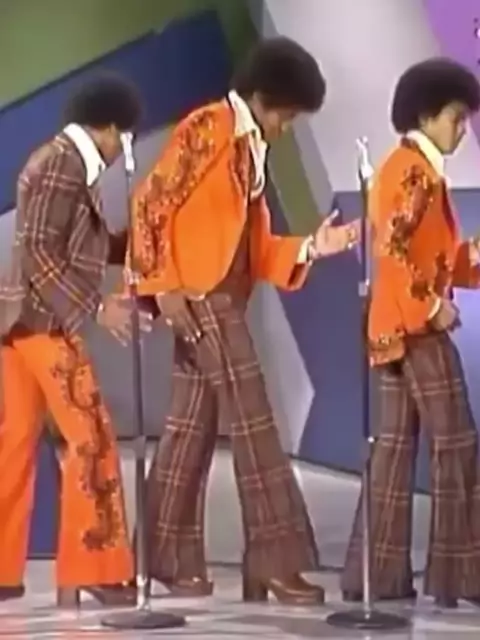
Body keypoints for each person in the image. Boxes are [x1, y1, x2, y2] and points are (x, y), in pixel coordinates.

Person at [126, 37, 359, 606]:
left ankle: (161, 559)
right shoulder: (210, 127)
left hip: (225, 295)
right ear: (263, 96)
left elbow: (255, 246)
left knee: (189, 430)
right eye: (286, 114)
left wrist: (313, 246)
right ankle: (276, 563)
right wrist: (162, 285)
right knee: (256, 426)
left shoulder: (250, 147)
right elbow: (150, 202)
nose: (286, 127)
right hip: (202, 296)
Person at [0, 74, 150, 607]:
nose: (123, 147)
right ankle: (97, 569)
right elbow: (40, 251)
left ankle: (2, 570)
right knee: (93, 440)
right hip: (44, 325)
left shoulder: (65, 163)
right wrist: (95, 307)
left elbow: (75, 243)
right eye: (124, 137)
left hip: (20, 325)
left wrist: (140, 245)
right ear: (109, 128)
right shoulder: (62, 165)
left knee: (15, 445)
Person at [341, 58, 480, 609]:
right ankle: (462, 576)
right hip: (415, 327)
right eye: (455, 117)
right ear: (426, 115)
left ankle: (374, 577)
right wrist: (430, 306)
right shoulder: (413, 172)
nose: (462, 129)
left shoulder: (412, 168)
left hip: (394, 327)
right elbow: (391, 250)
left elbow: (434, 257)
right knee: (457, 442)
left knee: (395, 452)